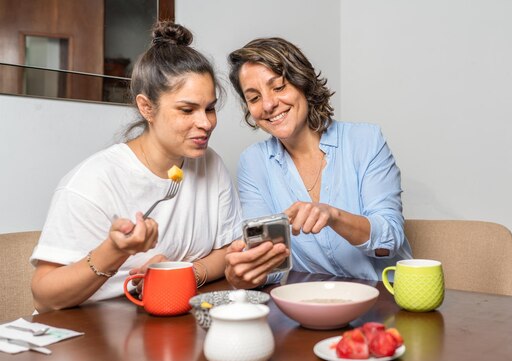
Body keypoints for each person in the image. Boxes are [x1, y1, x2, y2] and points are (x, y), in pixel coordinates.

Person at [30, 21, 241, 312]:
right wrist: (114, 252)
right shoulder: (92, 182)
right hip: (90, 336)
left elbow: (228, 249)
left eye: (210, 108)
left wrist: (183, 271)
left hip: (162, 325)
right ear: (146, 108)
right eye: (187, 109)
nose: (205, 123)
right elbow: (44, 296)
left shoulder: (209, 164)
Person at [224, 37, 412, 289]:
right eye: (254, 97)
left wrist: (333, 216)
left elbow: (388, 239)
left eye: (279, 87)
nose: (268, 104)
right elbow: (271, 265)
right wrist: (245, 275)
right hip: (312, 301)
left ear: (303, 83)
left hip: (384, 297)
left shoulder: (366, 141)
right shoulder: (253, 162)